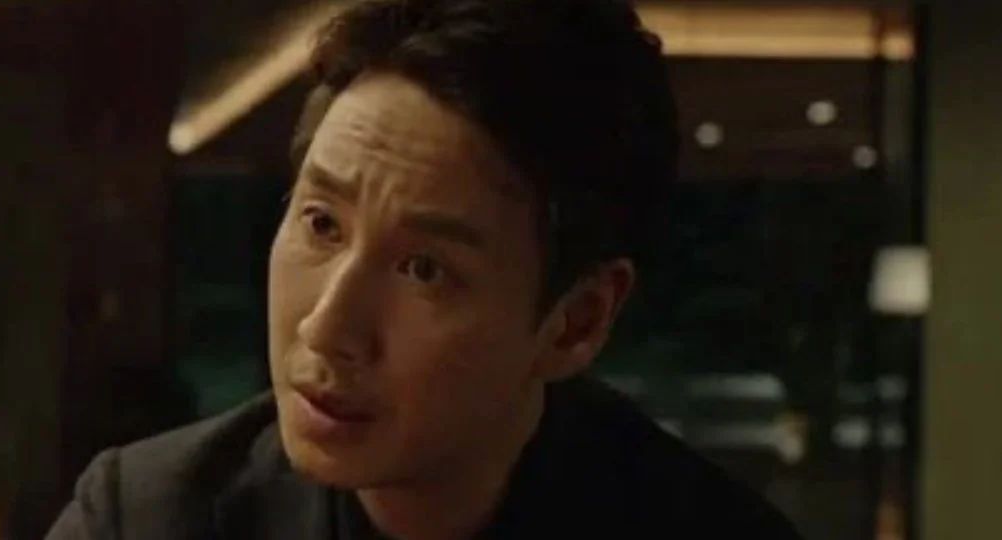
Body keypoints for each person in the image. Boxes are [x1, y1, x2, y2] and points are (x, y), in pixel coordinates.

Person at [46, 0, 804, 538]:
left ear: (576, 322)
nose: (327, 327)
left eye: (423, 269)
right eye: (321, 223)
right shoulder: (147, 518)